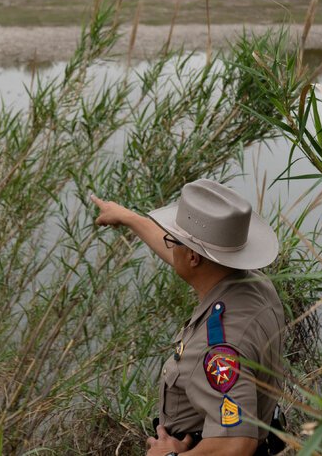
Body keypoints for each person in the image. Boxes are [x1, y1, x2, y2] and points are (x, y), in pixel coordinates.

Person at [91, 179, 285, 456]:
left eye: (174, 241)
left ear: (194, 257)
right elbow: (184, 255)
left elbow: (236, 444)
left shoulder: (217, 347)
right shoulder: (255, 285)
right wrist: (128, 217)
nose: (171, 248)